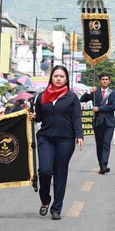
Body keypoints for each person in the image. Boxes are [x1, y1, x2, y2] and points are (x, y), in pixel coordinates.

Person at [31, 65, 84, 220]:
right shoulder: (41, 96)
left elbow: (76, 118)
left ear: (66, 79)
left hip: (65, 140)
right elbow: (39, 117)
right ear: (51, 78)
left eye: (61, 76)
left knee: (60, 173)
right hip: (45, 138)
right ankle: (45, 199)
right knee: (45, 171)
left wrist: (79, 135)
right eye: (56, 76)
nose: (58, 78)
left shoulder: (72, 97)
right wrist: (33, 116)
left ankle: (56, 208)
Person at [80, 73, 115, 174]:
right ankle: (101, 165)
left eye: (106, 79)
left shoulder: (113, 93)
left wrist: (99, 108)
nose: (104, 81)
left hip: (109, 122)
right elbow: (82, 99)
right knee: (99, 144)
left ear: (109, 81)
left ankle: (104, 164)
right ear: (99, 81)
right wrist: (89, 91)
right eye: (102, 79)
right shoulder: (95, 92)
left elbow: (113, 106)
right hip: (97, 122)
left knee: (106, 143)